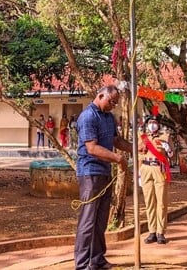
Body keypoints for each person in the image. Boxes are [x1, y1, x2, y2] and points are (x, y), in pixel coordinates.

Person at [73, 85, 132, 270]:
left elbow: (116, 140)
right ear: (100, 95)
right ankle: (82, 265)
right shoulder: (88, 116)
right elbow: (92, 148)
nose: (112, 106)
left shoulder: (109, 117)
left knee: (101, 220)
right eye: (111, 102)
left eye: (115, 103)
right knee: (88, 221)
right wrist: (117, 158)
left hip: (105, 173)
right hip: (90, 173)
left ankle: (97, 260)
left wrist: (134, 148)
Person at [139, 114, 173, 245]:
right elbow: (139, 156)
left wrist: (168, 149)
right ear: (147, 124)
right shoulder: (142, 137)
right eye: (150, 122)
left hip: (159, 169)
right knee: (149, 202)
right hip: (146, 169)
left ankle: (161, 232)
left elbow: (171, 154)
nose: (152, 124)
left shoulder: (165, 137)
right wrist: (138, 175)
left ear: (158, 124)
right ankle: (151, 231)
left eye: (155, 122)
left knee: (161, 202)